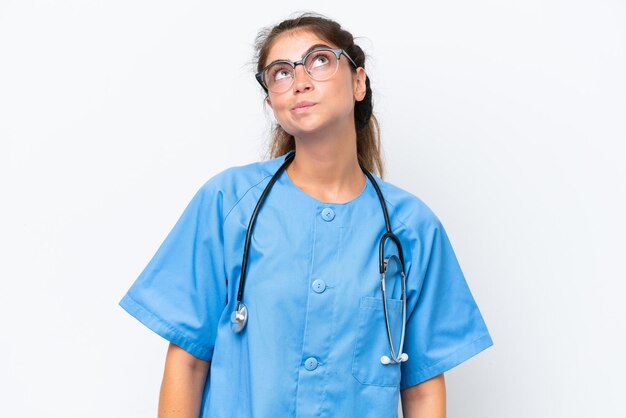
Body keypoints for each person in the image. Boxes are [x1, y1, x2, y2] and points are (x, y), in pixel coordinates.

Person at [119, 12, 494, 418]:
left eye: (319, 60)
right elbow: (187, 362)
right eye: (280, 73)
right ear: (272, 102)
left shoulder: (412, 229)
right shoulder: (227, 203)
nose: (300, 80)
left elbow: (421, 388)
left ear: (358, 82)